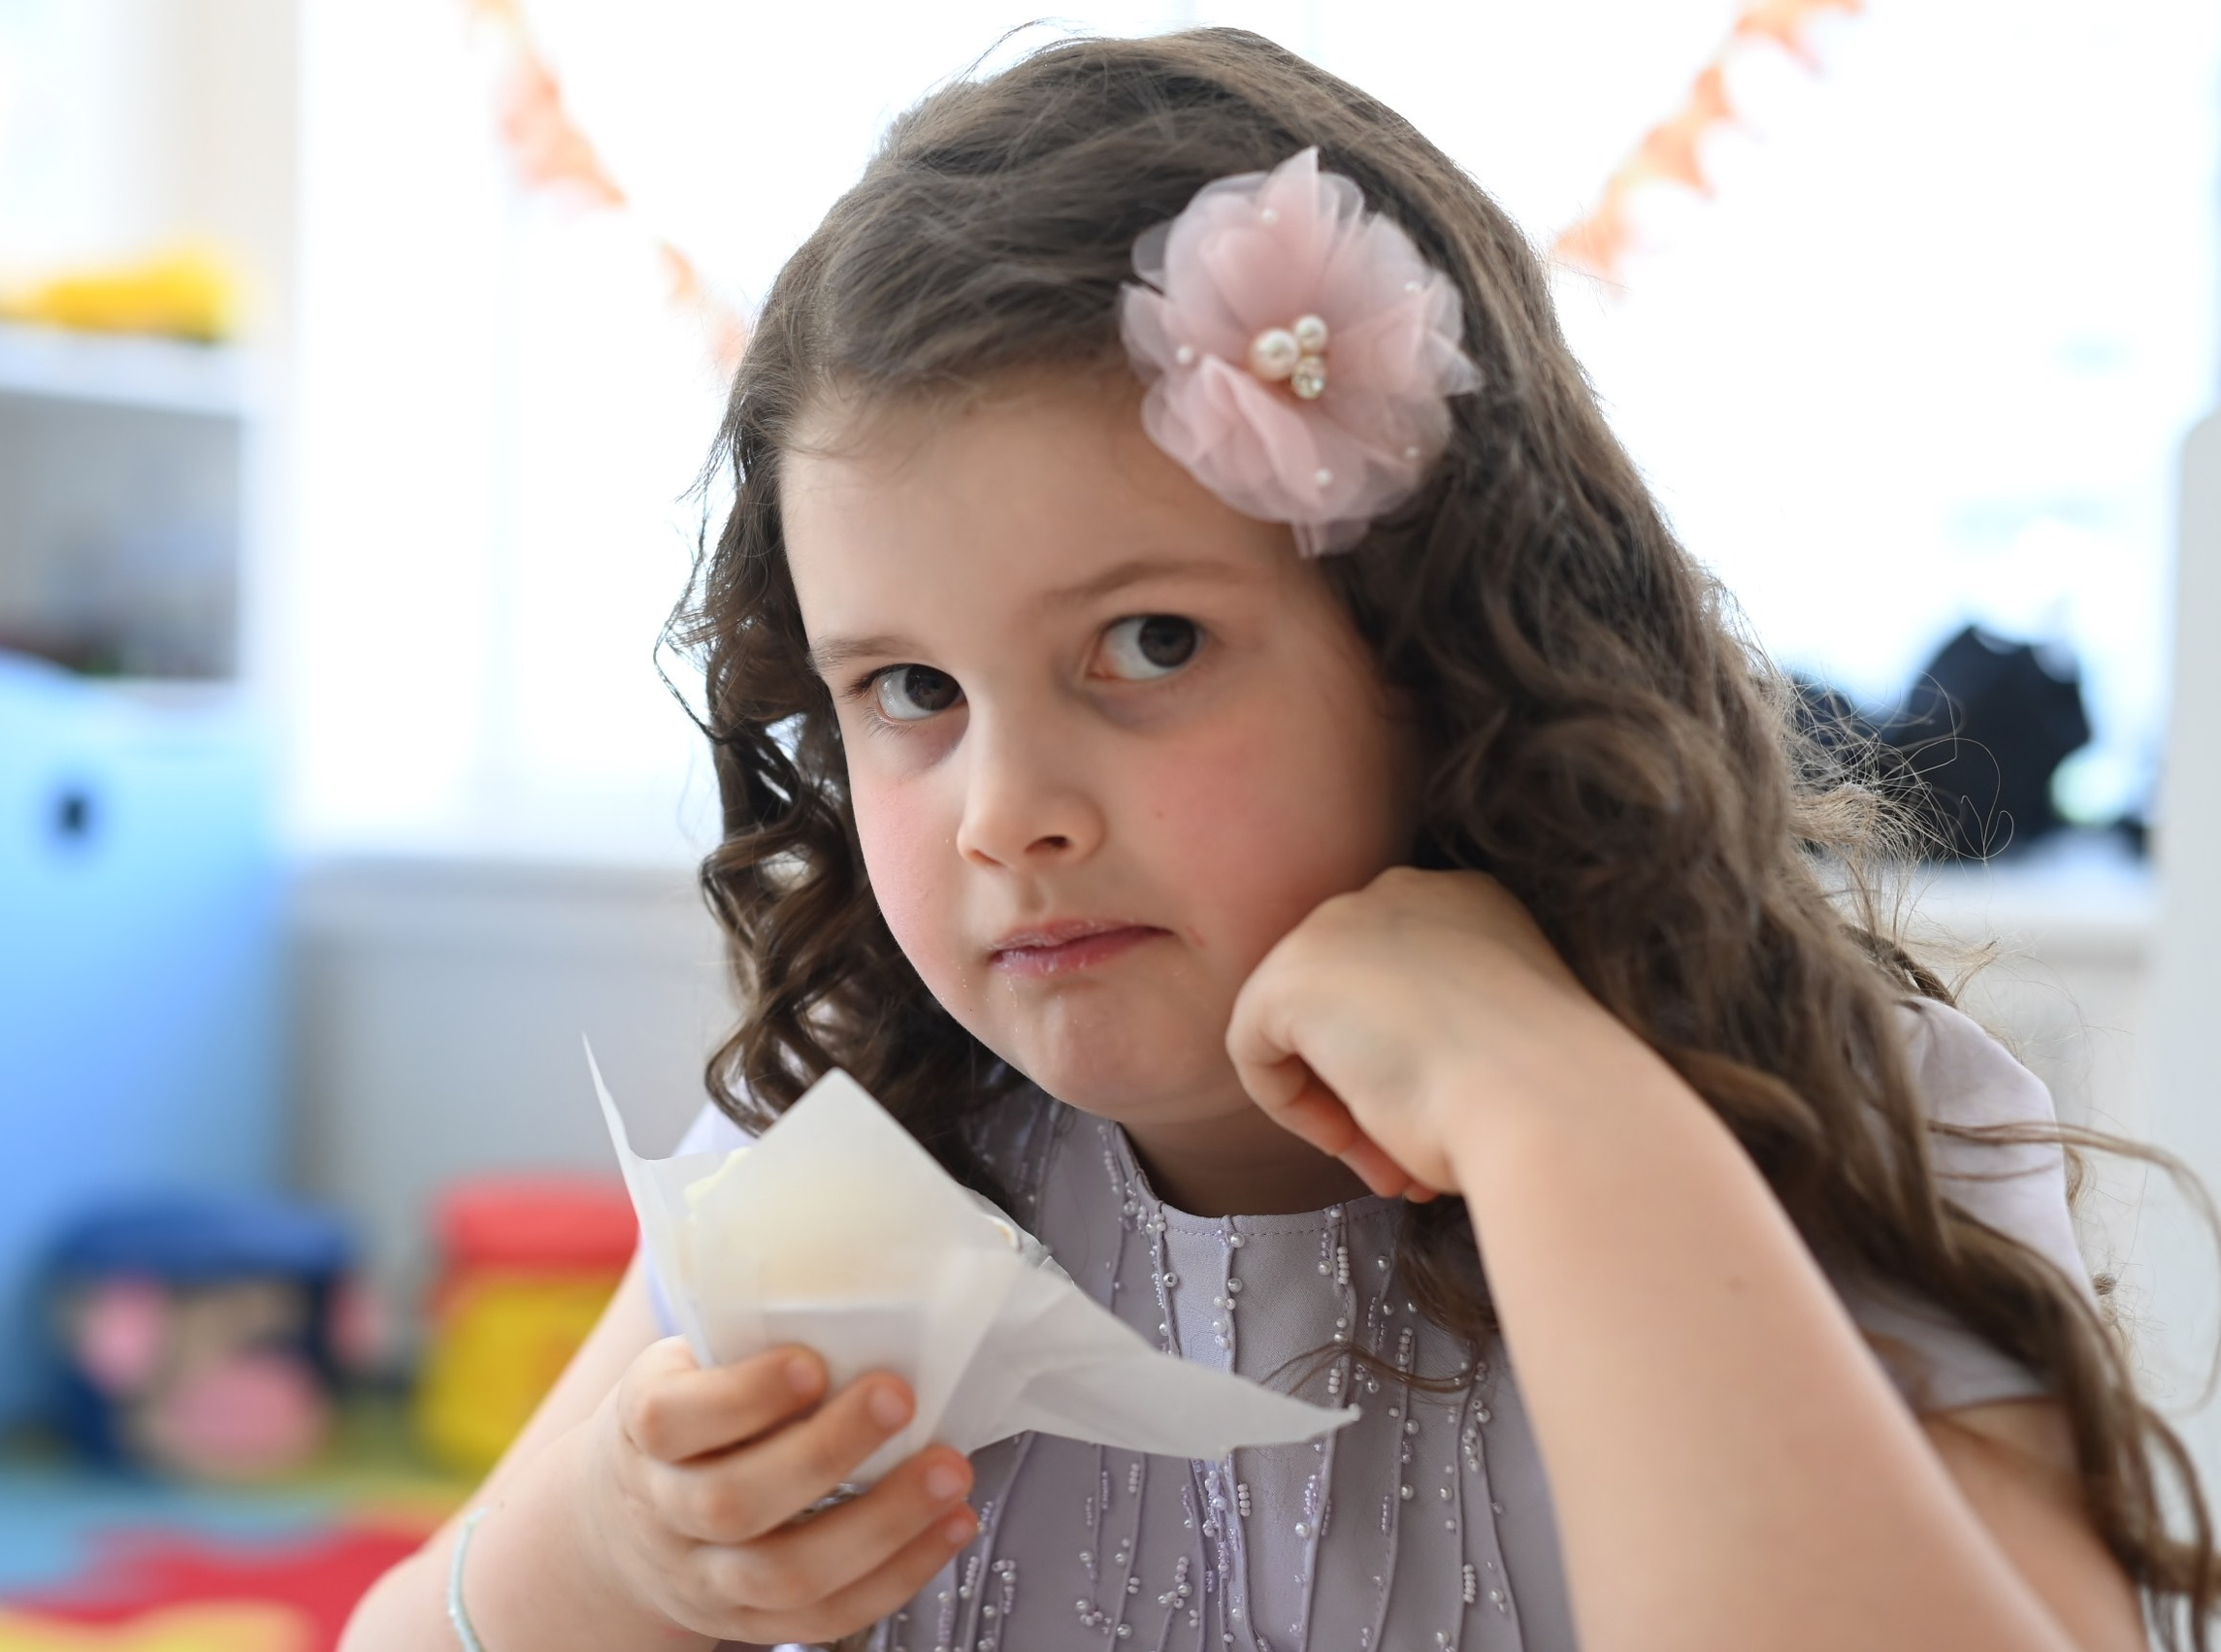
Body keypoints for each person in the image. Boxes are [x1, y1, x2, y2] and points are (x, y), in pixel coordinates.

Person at [343, 28, 2214, 1652]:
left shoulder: (1849, 1125)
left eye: (1151, 645)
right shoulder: (859, 1158)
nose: (1008, 813)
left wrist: (1555, 1106)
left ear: (1444, 641)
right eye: (909, 691)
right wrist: (611, 1547)